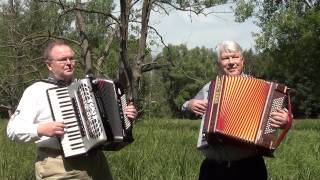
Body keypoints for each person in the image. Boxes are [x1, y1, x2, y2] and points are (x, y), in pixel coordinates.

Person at [7, 40, 138, 180]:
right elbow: (13, 129)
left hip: (96, 163)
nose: (69, 62)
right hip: (58, 165)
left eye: (71, 58)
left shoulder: (85, 88)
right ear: (49, 65)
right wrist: (40, 129)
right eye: (63, 59)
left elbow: (105, 123)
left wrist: (124, 117)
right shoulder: (36, 91)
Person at [182, 40, 292, 180]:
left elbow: (284, 119)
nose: (231, 62)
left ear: (242, 60)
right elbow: (188, 112)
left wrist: (284, 121)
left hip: (249, 168)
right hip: (213, 168)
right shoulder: (210, 87)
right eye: (225, 58)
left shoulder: (262, 89)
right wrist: (189, 104)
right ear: (218, 64)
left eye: (234, 57)